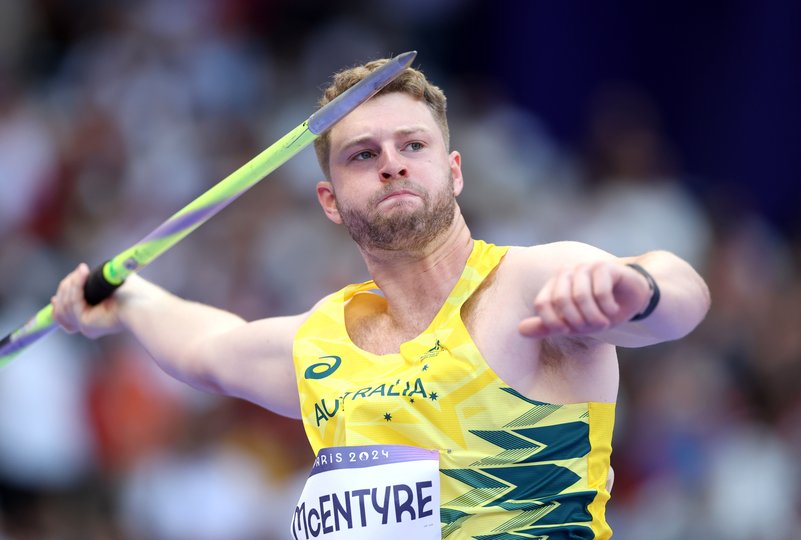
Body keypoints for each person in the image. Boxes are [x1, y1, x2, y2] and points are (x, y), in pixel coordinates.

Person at [51, 59, 710, 539]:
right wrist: (131, 299)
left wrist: (637, 287)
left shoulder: (530, 286)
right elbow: (207, 349)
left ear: (453, 172)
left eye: (412, 145)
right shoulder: (322, 343)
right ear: (330, 202)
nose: (391, 163)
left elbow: (683, 297)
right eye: (363, 155)